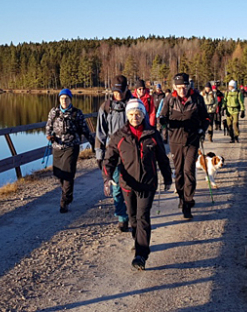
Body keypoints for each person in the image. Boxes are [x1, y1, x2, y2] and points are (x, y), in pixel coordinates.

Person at [102, 99, 172, 270]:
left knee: (142, 217)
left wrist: (168, 177)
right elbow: (109, 159)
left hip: (147, 184)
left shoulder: (152, 135)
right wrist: (107, 177)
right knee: (132, 216)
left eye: (138, 114)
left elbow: (162, 159)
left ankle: (141, 254)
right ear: (127, 115)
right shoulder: (119, 136)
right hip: (127, 184)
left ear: (143, 115)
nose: (135, 117)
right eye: (132, 114)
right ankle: (137, 238)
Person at [158, 73, 209, 219]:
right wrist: (163, 122)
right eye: (179, 87)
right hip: (175, 142)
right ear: (175, 87)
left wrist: (202, 129)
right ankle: (181, 196)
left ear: (188, 86)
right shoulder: (170, 99)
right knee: (179, 173)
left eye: (185, 86)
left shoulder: (197, 99)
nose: (182, 90)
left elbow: (205, 117)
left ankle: (188, 203)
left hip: (192, 140)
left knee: (189, 172)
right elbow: (162, 116)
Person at [45, 88, 94, 213]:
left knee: (68, 171)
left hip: (72, 145)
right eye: (62, 98)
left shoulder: (76, 113)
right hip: (57, 146)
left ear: (70, 99)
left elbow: (85, 129)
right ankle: (68, 193)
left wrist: (93, 143)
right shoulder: (54, 112)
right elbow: (48, 126)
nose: (64, 100)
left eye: (66, 98)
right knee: (59, 173)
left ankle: (64, 201)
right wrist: (49, 136)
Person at [95, 75, 132, 231]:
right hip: (114, 153)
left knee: (132, 188)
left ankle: (133, 215)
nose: (118, 95)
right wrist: (99, 154)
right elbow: (100, 133)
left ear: (126, 89)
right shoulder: (106, 107)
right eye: (115, 91)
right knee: (116, 188)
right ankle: (122, 218)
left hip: (132, 153)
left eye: (120, 91)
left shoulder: (134, 105)